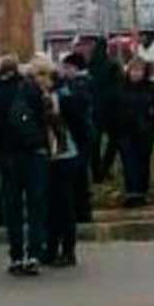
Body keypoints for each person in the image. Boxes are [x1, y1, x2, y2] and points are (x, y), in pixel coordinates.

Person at [0, 55, 50, 276]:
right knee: (36, 206)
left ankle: (16, 256)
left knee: (13, 208)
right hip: (33, 154)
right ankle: (34, 253)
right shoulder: (30, 88)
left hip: (7, 157)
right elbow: (44, 117)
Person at [116, 57, 154, 207]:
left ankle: (141, 191)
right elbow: (112, 107)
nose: (135, 74)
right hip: (125, 131)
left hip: (145, 130)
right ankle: (131, 193)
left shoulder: (152, 88)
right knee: (128, 163)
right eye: (133, 70)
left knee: (142, 162)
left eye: (139, 71)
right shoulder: (121, 88)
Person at [44, 69, 82, 267]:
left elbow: (77, 123)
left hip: (65, 154)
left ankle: (68, 250)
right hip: (49, 156)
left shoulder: (64, 97)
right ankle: (51, 247)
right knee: (51, 206)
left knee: (65, 205)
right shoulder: (42, 97)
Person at [59, 52, 96, 223]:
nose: (63, 71)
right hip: (81, 134)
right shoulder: (75, 84)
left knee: (80, 175)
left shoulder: (81, 84)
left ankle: (83, 211)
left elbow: (76, 110)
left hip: (81, 135)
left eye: (66, 68)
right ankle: (80, 209)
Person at [89, 38, 123, 183]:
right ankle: (105, 167)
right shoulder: (112, 65)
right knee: (114, 140)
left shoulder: (90, 65)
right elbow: (119, 86)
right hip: (111, 109)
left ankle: (97, 172)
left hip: (94, 108)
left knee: (95, 143)